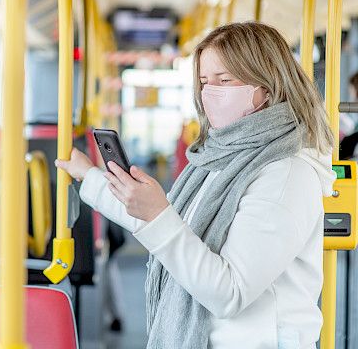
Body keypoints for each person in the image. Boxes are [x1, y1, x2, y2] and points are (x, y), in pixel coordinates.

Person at [56, 22, 336, 349]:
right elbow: (159, 221)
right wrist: (88, 175)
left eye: (225, 80)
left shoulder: (286, 174)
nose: (210, 92)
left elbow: (229, 292)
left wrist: (159, 215)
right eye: (204, 81)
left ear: (267, 86)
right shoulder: (218, 159)